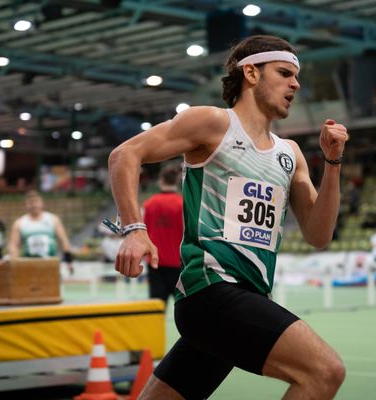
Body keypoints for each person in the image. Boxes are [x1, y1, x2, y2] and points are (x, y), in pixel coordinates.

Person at [108, 35, 346, 400]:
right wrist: (135, 229)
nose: (295, 84)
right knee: (324, 371)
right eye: (284, 73)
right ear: (251, 72)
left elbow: (318, 233)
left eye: (296, 76)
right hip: (212, 293)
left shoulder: (290, 153)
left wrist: (332, 164)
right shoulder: (213, 123)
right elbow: (126, 154)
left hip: (247, 301)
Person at [142, 163, 183, 306]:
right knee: (184, 309)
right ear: (177, 181)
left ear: (160, 180)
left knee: (156, 308)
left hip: (155, 263)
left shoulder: (149, 204)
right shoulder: (182, 204)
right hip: (178, 264)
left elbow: (143, 232)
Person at [7, 190, 74, 273]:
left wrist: (69, 261)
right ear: (26, 205)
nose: (33, 205)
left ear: (42, 203)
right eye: (30, 202)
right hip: (29, 265)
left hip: (50, 264)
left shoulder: (53, 219)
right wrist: (15, 264)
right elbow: (13, 245)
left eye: (36, 202)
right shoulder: (19, 223)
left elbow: (64, 240)